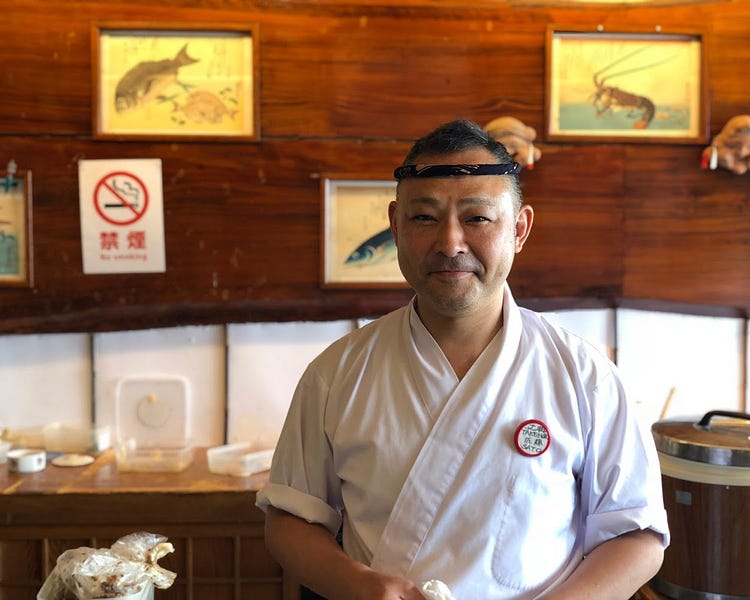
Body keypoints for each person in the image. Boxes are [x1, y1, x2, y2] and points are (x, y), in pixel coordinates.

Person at [257, 119, 669, 600]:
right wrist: (361, 586)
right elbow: (290, 518)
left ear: (519, 229)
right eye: (424, 218)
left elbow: (636, 534)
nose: (450, 243)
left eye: (476, 218)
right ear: (394, 225)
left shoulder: (582, 374)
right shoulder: (337, 373)